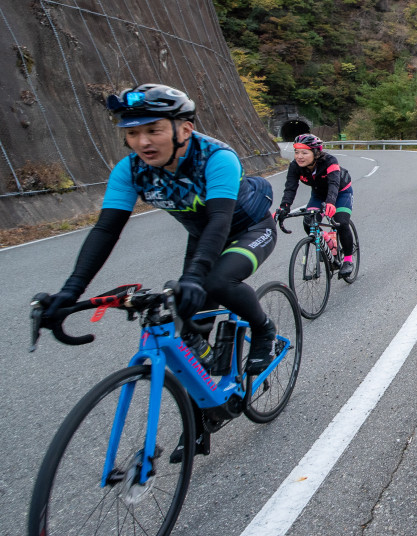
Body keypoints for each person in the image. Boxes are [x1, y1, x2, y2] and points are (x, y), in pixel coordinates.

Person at [41, 84, 280, 378]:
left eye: (153, 130)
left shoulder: (217, 157)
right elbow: (105, 230)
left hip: (249, 228)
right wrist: (70, 291)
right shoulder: (130, 171)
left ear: (185, 129)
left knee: (216, 282)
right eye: (132, 133)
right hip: (202, 236)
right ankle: (208, 398)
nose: (142, 142)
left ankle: (263, 328)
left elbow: (219, 220)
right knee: (187, 320)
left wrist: (195, 277)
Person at [274, 133, 356, 279]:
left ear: (316, 153)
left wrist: (330, 203)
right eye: (296, 152)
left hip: (340, 192)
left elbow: (334, 184)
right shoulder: (295, 166)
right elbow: (290, 188)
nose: (299, 156)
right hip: (318, 195)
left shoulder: (330, 161)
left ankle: (348, 260)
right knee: (309, 222)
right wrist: (284, 207)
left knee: (341, 222)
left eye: (304, 153)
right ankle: (328, 244)